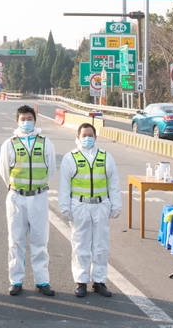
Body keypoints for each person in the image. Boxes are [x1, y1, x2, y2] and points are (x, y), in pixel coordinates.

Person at [0, 105, 57, 297]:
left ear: (35, 120)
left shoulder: (46, 142)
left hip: (38, 197)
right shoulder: (9, 143)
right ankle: (16, 280)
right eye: (23, 119)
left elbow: (51, 170)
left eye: (29, 118)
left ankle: (42, 281)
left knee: (40, 241)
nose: (26, 122)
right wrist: (17, 188)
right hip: (16, 198)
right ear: (17, 121)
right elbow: (4, 172)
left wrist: (37, 187)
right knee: (16, 241)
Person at [58, 123, 121, 298]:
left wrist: (116, 204)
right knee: (80, 245)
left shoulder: (106, 157)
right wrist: (65, 207)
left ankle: (99, 281)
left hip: (101, 206)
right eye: (84, 135)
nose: (87, 138)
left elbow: (113, 183)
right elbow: (64, 185)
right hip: (80, 206)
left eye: (90, 135)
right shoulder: (70, 157)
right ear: (78, 138)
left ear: (95, 137)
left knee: (101, 245)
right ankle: (81, 281)